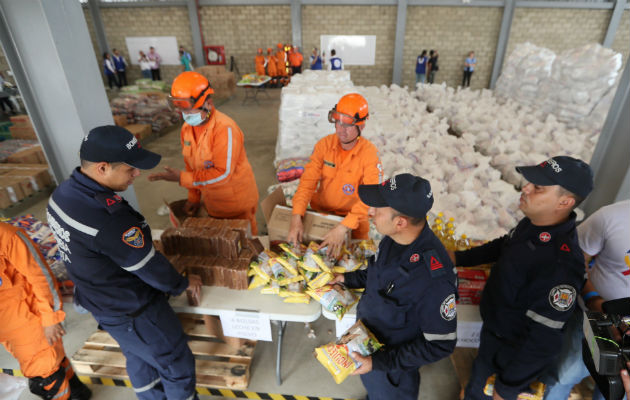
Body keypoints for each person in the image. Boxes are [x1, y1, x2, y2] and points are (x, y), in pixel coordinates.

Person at [47, 125, 201, 400]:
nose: (136, 174)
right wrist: (184, 283)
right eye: (130, 168)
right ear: (103, 168)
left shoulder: (62, 195)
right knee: (176, 365)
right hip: (135, 311)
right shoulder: (110, 218)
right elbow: (150, 268)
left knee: (139, 356)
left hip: (101, 303)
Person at [451, 156, 594, 400]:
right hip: (493, 336)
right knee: (474, 388)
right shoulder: (534, 224)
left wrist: (507, 388)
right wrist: (459, 258)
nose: (525, 188)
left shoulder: (561, 264)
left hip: (512, 355)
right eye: (530, 182)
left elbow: (543, 340)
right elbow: (504, 245)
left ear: (565, 202)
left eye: (538, 187)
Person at [331, 173, 457, 400]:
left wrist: (377, 362)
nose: (370, 213)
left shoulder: (433, 280)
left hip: (391, 369)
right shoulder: (393, 238)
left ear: (400, 222)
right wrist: (347, 280)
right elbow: (378, 272)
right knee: (373, 391)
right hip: (367, 344)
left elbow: (441, 345)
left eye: (378, 209)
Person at [150, 71, 260, 234]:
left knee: (243, 249)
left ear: (208, 103)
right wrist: (194, 198)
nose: (186, 116)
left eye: (189, 110)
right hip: (212, 203)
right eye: (182, 111)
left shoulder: (225, 129)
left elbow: (222, 174)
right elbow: (191, 166)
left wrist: (182, 178)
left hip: (236, 205)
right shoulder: (187, 129)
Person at [543, 199, 630, 400]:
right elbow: (574, 257)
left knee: (616, 393)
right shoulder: (611, 216)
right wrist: (593, 300)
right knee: (562, 376)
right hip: (591, 321)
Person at [0, 222, 92, 400]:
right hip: (8, 327)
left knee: (44, 376)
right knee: (54, 361)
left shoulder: (8, 237)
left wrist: (51, 319)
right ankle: (78, 394)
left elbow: (41, 277)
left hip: (29, 323)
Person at [287, 93, 382, 257]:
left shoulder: (369, 154)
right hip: (322, 216)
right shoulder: (324, 145)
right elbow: (307, 184)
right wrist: (296, 217)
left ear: (362, 126)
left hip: (354, 223)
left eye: (347, 125)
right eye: (338, 121)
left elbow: (371, 197)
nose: (340, 129)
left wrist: (343, 227)